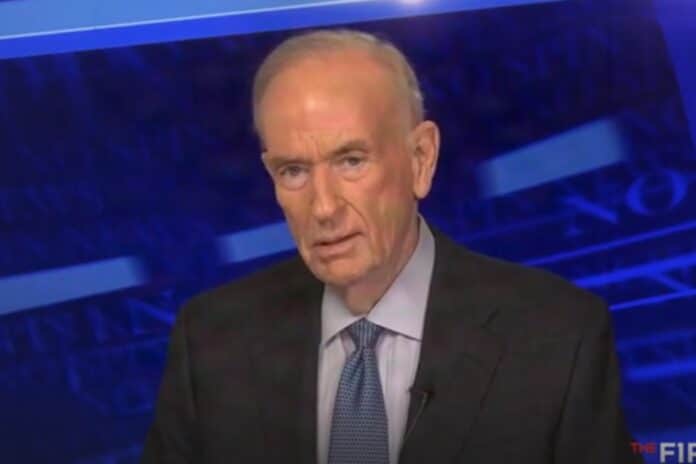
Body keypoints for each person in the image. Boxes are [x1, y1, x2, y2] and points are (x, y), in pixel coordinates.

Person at [141, 29, 641, 464]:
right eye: (293, 171)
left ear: (421, 158)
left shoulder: (558, 334)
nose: (323, 207)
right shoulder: (210, 339)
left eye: (351, 161)